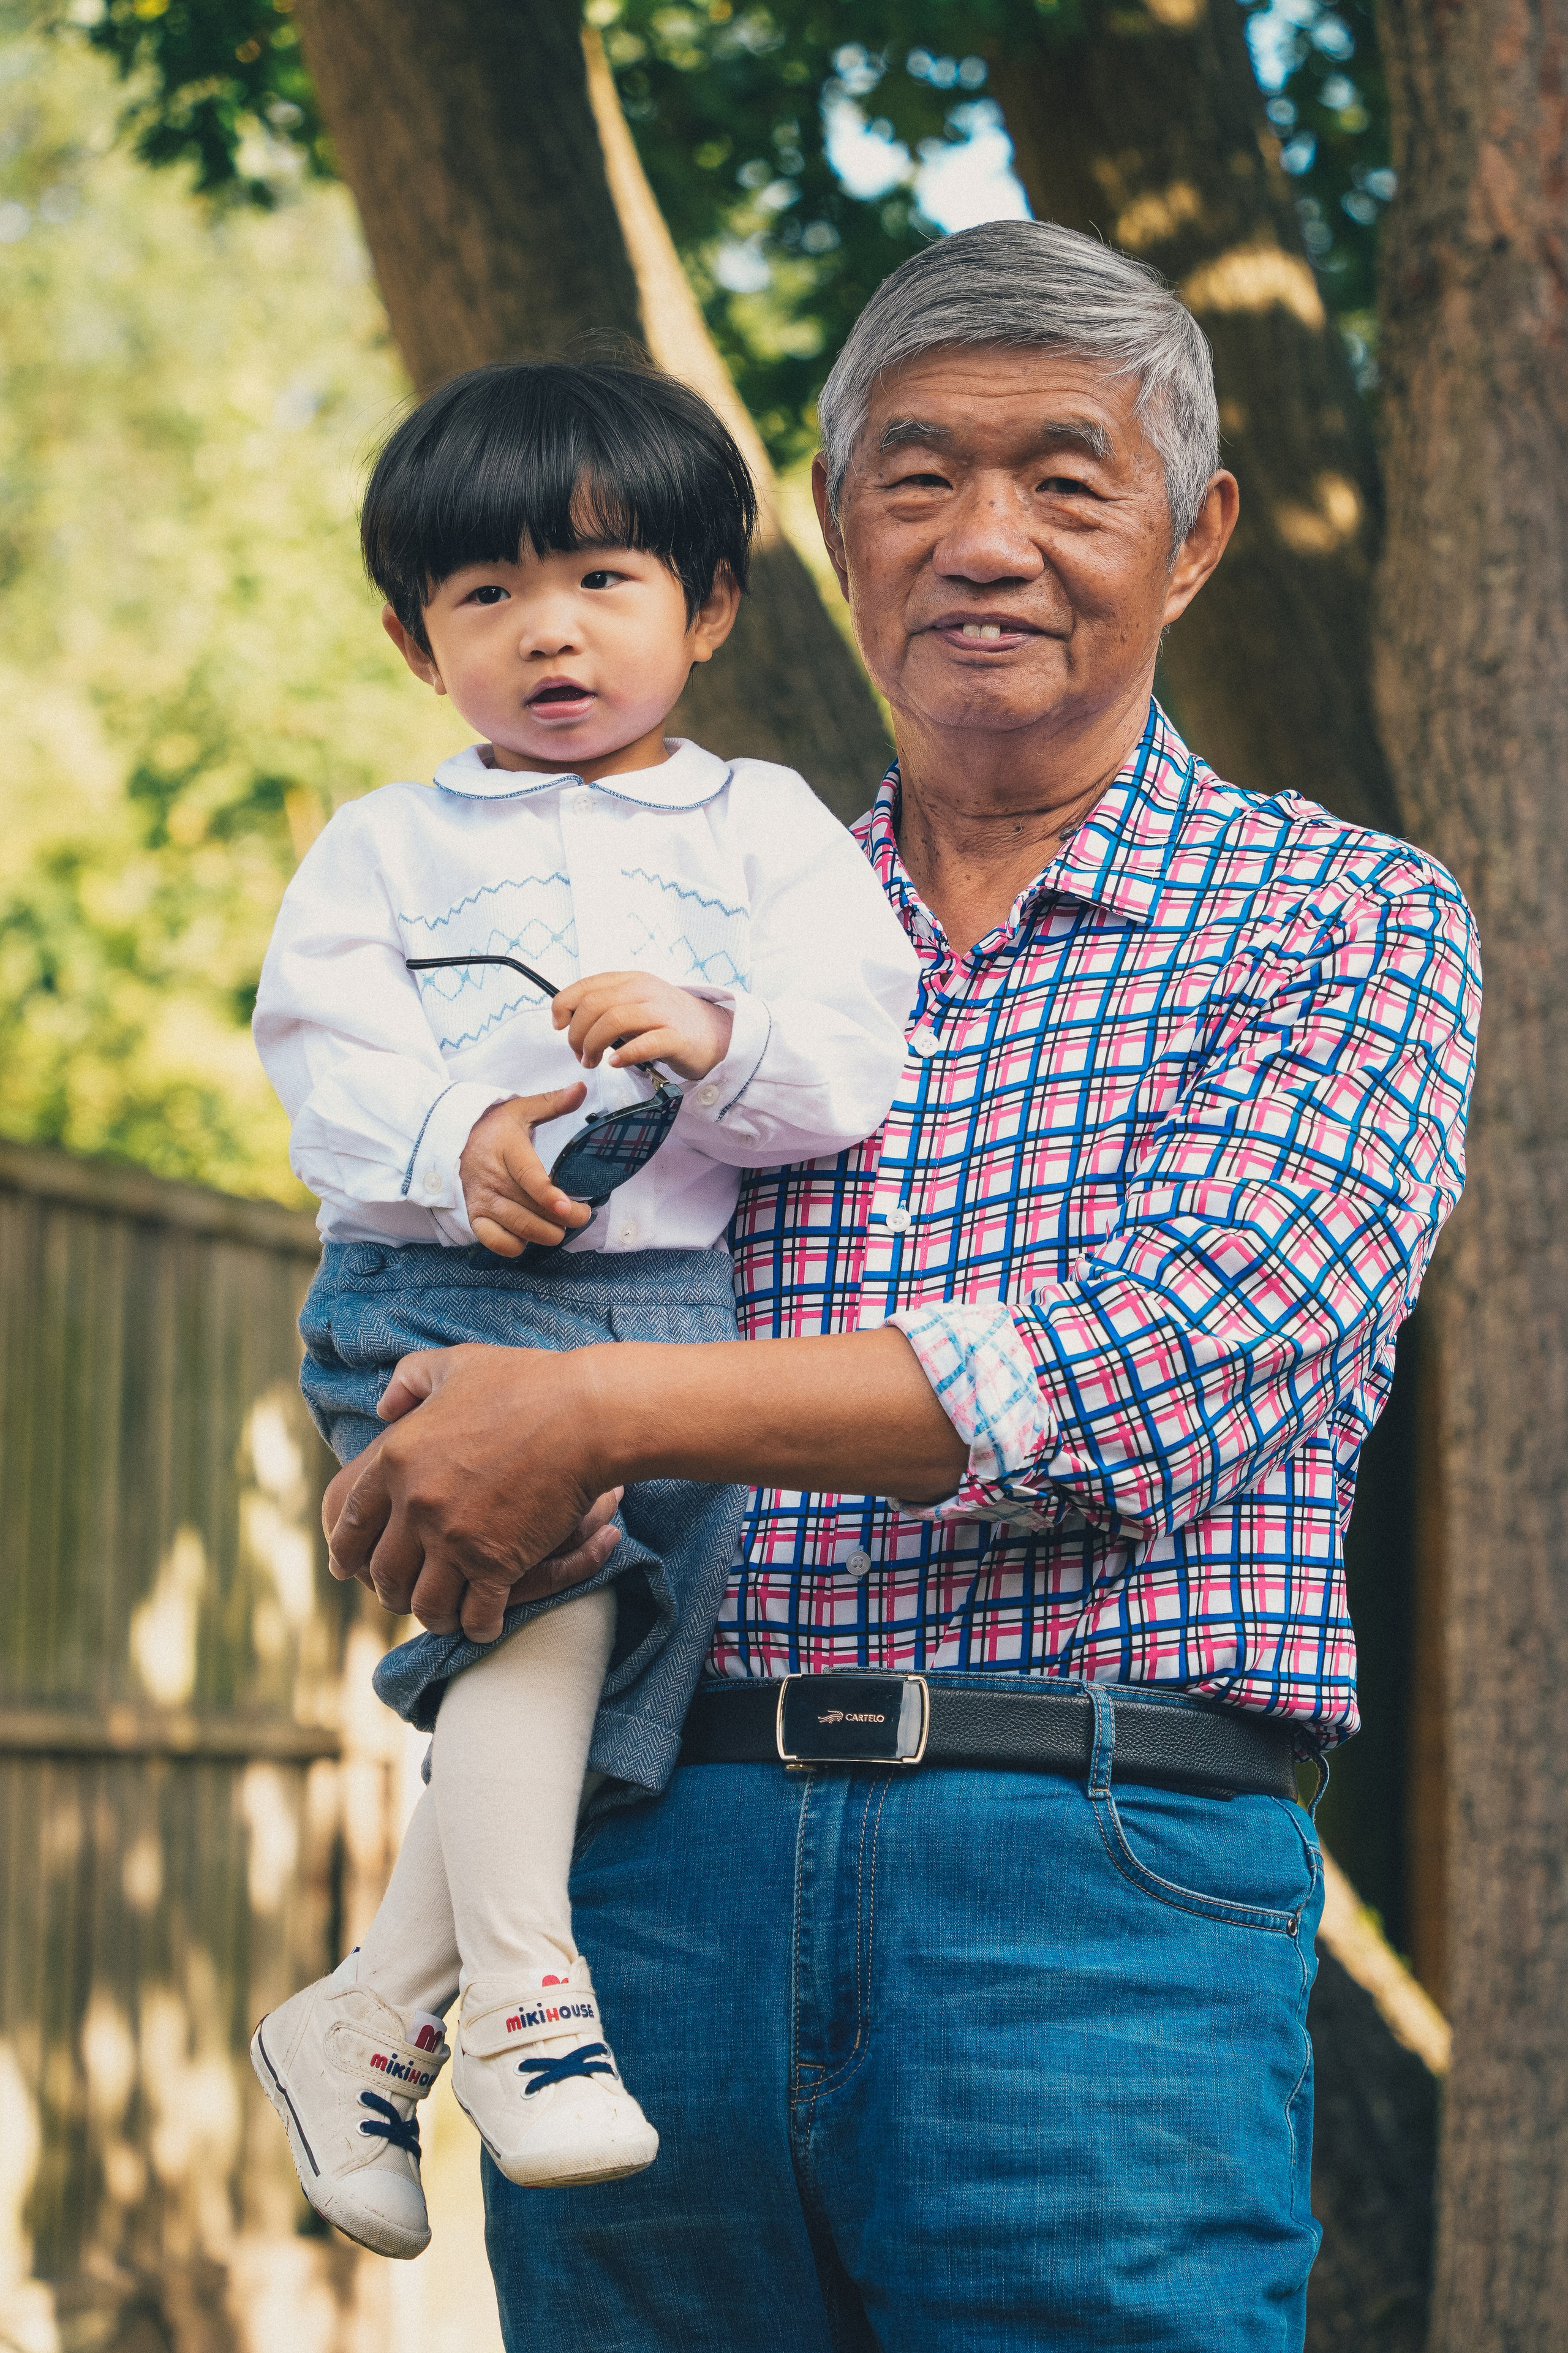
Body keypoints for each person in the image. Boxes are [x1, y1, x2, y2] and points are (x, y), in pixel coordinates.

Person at [325, 223, 1480, 2351]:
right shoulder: (687, 924)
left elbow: (1175, 1362)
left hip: (1093, 1877)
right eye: (920, 479)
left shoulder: (1344, 916)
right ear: (837, 535)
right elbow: (479, 1330)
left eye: (1067, 477)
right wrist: (430, 1457)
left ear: (1199, 532)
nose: (989, 541)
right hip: (643, 1888)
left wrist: (599, 1421)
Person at [245, 359, 918, 2258]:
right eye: (486, 597)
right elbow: (321, 1054)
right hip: (435, 1295)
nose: (549, 630)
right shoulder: (387, 845)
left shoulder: (769, 830)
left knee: (602, 1663)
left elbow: (848, 1068)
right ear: (412, 638)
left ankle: (366, 2008)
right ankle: (529, 2009)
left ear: (708, 606)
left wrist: (721, 1032)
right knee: (555, 1597)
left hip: (675, 1319)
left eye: (606, 580)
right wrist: (460, 1129)